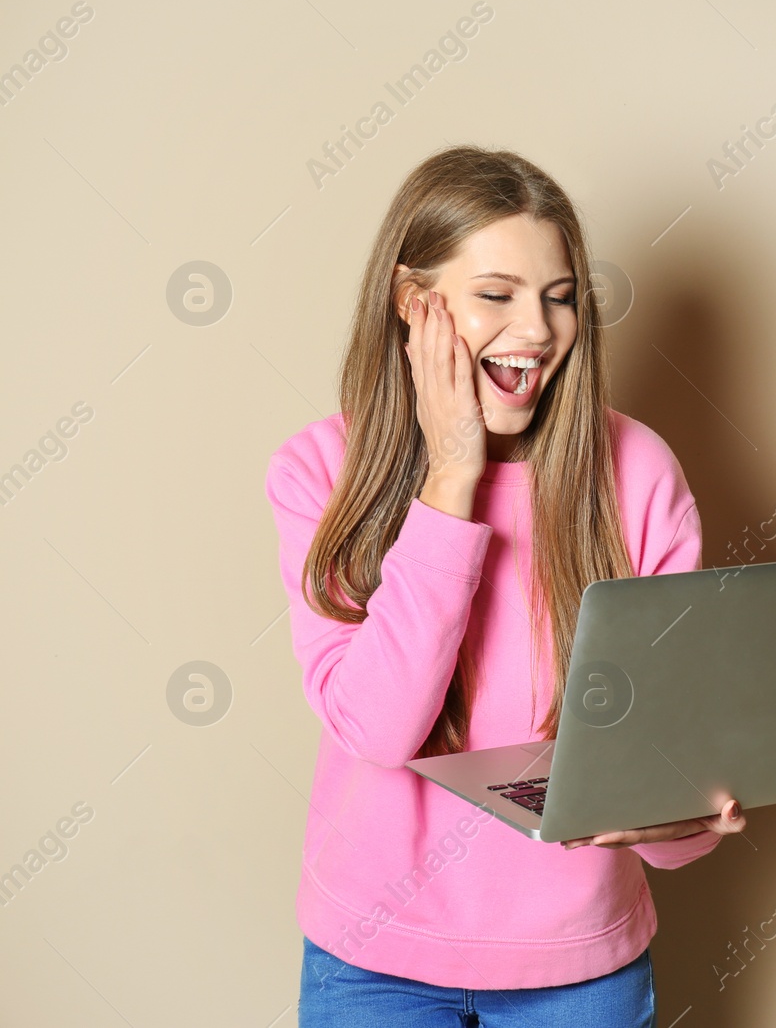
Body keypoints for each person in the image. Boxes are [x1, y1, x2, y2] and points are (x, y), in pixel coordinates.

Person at [265, 145, 745, 1026]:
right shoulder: (318, 470)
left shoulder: (637, 472)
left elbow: (669, 789)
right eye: (497, 295)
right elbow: (377, 727)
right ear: (415, 306)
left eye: (560, 297)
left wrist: (683, 815)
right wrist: (452, 476)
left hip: (581, 968)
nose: (536, 330)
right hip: (371, 961)